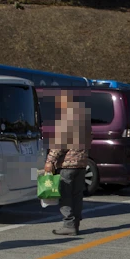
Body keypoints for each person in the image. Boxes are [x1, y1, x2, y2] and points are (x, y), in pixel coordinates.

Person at [43, 93, 91, 236]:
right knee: (77, 195)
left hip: (67, 165)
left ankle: (68, 224)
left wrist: (49, 162)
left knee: (65, 196)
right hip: (81, 165)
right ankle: (75, 224)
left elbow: (59, 145)